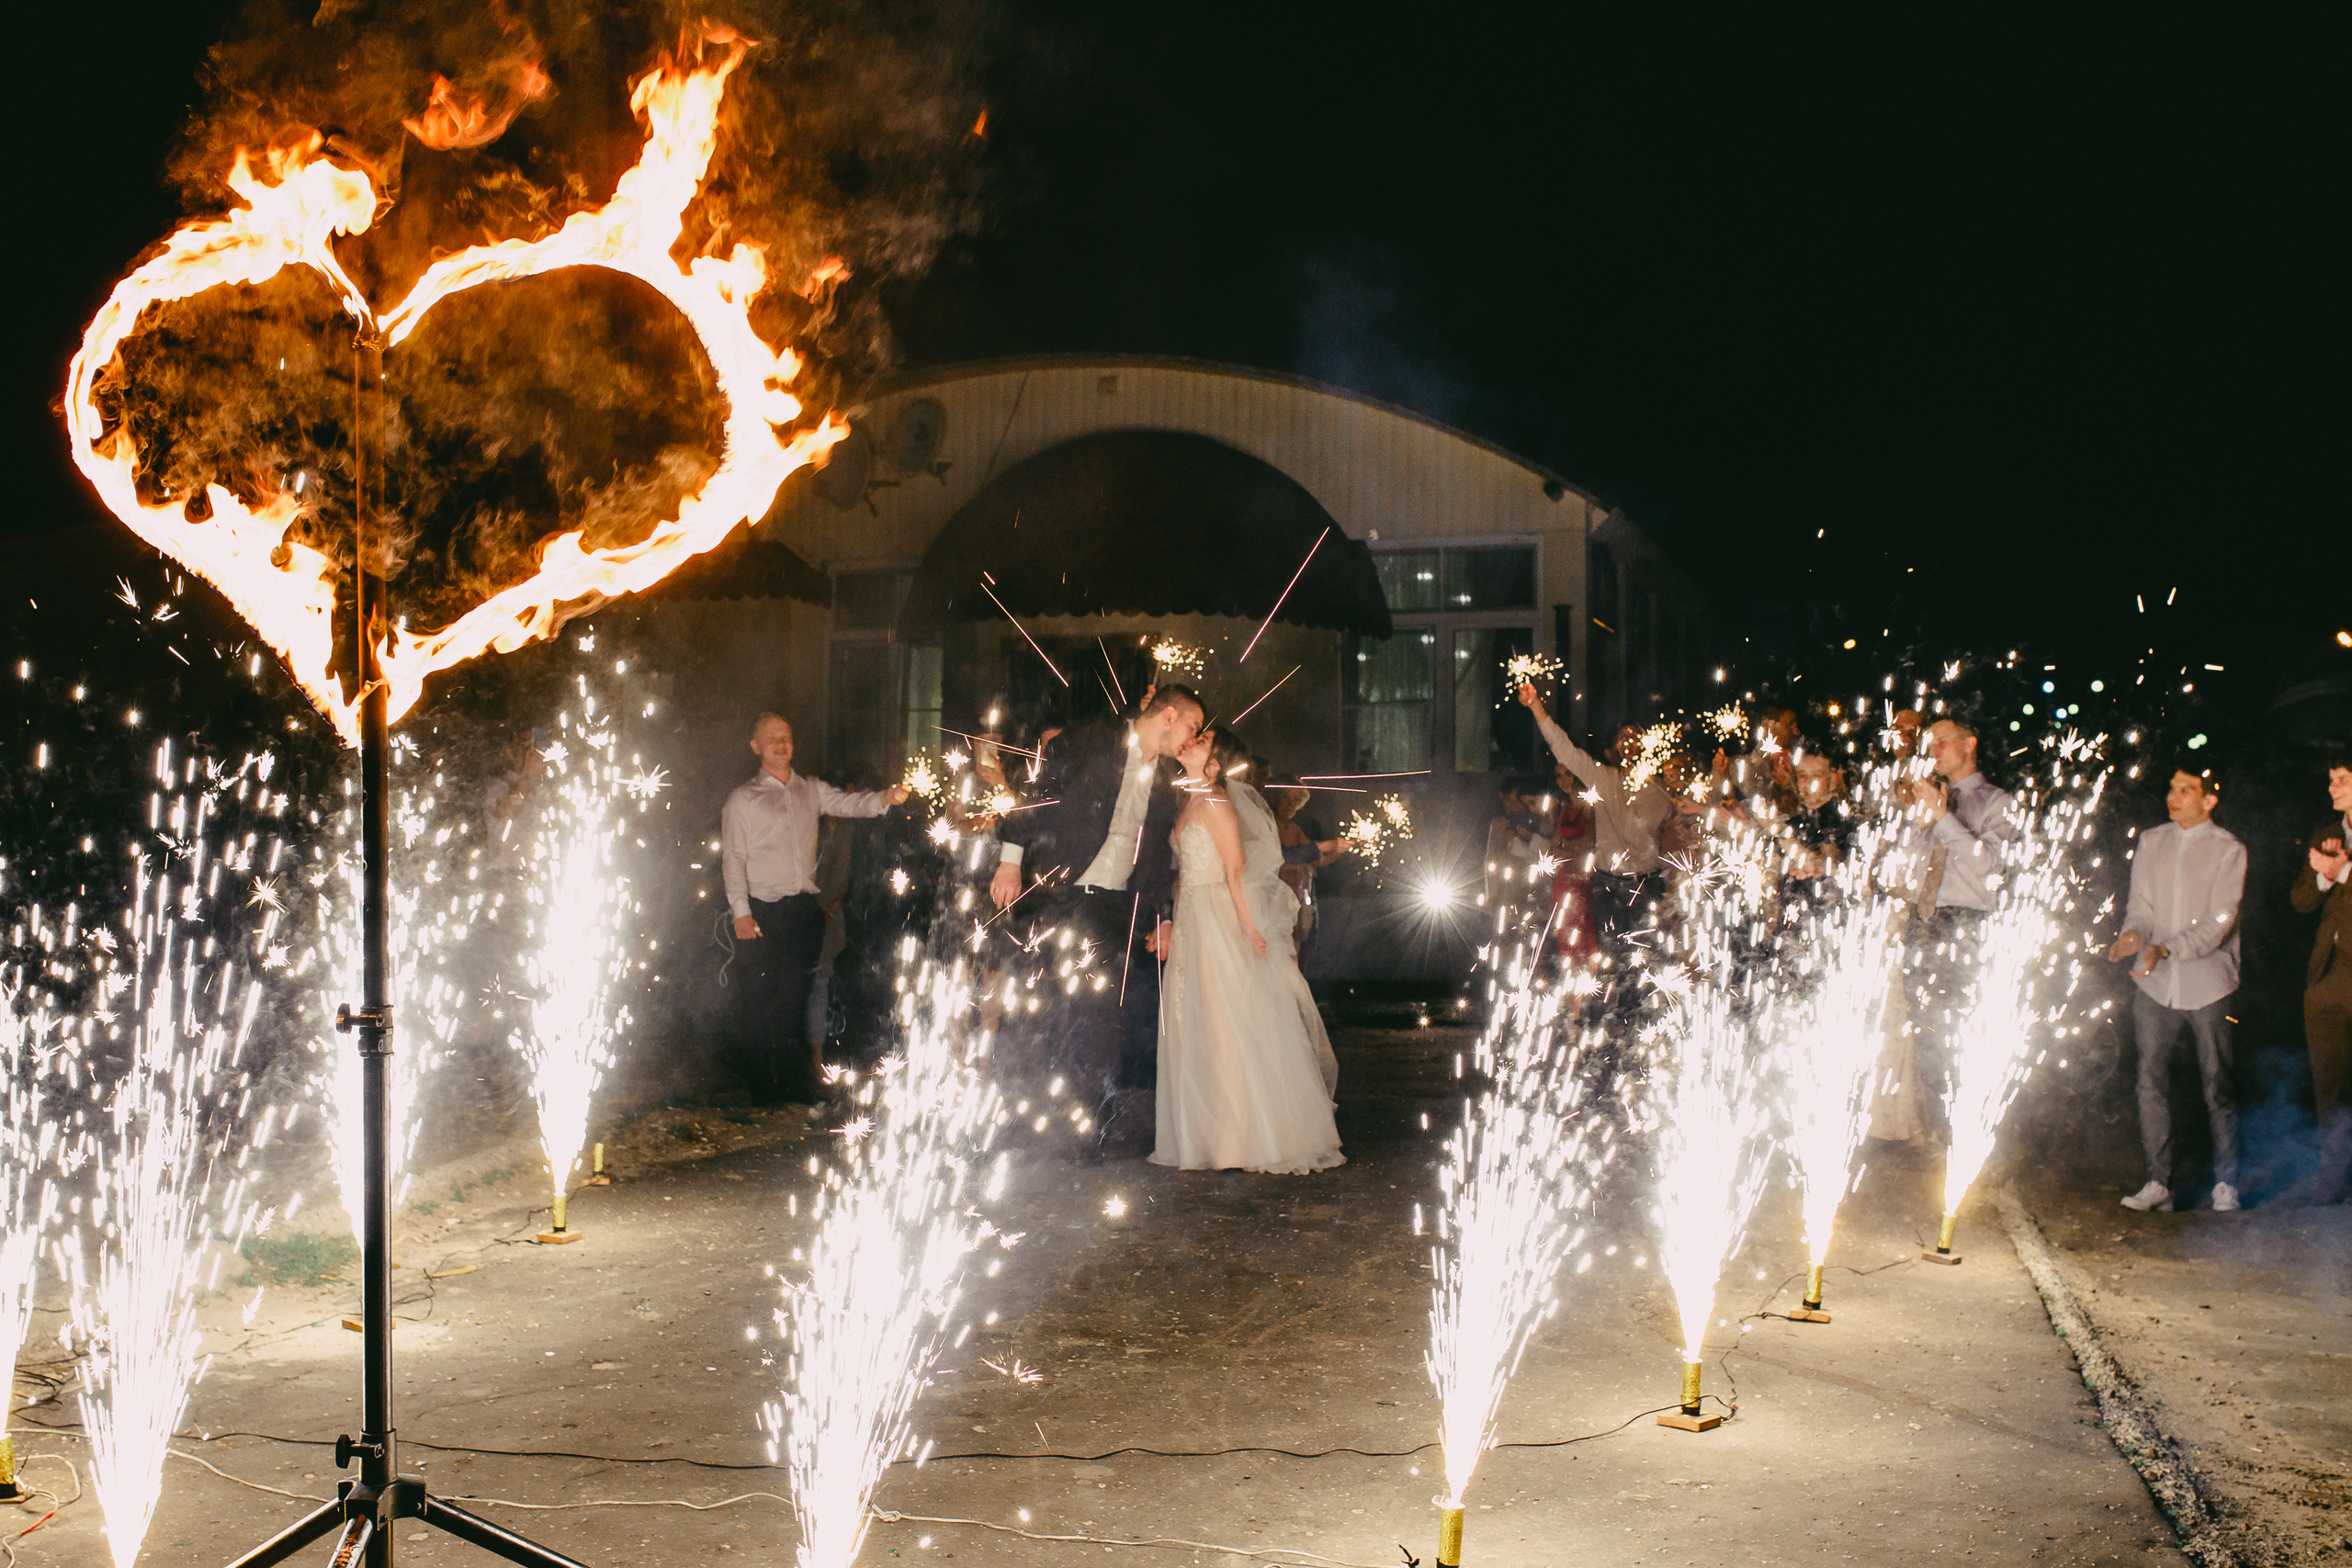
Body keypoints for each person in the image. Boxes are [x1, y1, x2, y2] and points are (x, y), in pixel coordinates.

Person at [989, 683, 1204, 1154]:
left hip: (1117, 908)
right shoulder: (1085, 742)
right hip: (1059, 896)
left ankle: (1086, 1129)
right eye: (1192, 726)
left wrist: (1161, 918)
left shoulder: (1167, 781)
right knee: (1043, 1009)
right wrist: (1010, 861)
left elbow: (1156, 862)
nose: (1194, 737)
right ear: (1168, 715)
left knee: (1103, 1017)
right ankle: (1010, 1122)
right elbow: (1035, 797)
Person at [1152, 727, 1345, 1174]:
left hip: (1217, 916)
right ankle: (1204, 1134)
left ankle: (1238, 1139)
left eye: (1200, 741)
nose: (1190, 742)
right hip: (1192, 918)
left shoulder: (1218, 802)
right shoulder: (1188, 802)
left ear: (1215, 763)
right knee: (1192, 1021)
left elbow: (1236, 869)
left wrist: (1248, 927)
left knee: (1224, 1024)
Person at [722, 714, 907, 1106]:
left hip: (801, 911)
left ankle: (792, 1081)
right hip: (761, 911)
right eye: (771, 738)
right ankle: (760, 1084)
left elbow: (848, 804)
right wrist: (741, 911)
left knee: (796, 997)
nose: (780, 744)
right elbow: (733, 858)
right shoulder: (743, 799)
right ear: (755, 746)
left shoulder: (810, 789)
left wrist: (884, 799)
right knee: (760, 998)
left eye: (786, 737)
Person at [2109, 765, 2246, 1213]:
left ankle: (2227, 1182)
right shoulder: (2152, 842)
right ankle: (2158, 1181)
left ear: (2209, 802)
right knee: (2149, 1080)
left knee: (2217, 1084)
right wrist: (2133, 936)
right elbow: (2141, 907)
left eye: (2187, 790)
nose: (2175, 795)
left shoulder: (2229, 850)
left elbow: (2219, 925)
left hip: (2210, 984)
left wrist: (2167, 948)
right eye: (2172, 788)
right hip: (2155, 984)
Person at [1900, 716, 2018, 1144]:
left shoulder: (1996, 801)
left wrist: (1942, 817)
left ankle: (1968, 1128)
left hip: (1964, 924)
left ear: (1970, 743)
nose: (1933, 751)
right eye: (1930, 744)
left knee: (1960, 1029)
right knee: (1925, 1029)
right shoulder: (1930, 796)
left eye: (1942, 742)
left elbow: (1990, 864)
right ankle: (1938, 1130)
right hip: (1924, 919)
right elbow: (1907, 866)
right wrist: (1917, 828)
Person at [1514, 684, 1670, 964]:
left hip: (1647, 885)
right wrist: (1537, 707)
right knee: (1610, 965)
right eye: (1623, 738)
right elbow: (1565, 751)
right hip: (1609, 885)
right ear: (1612, 750)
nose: (1630, 742)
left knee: (1647, 965)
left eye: (1635, 737)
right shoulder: (1604, 778)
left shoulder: (1661, 789)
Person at [2285, 754, 2352, 1204]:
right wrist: (2324, 878)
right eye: (2330, 780)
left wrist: (2342, 871)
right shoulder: (2326, 836)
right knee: (2330, 1085)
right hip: (2329, 977)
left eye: (2343, 780)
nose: (2332, 788)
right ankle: (2333, 1179)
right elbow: (2300, 900)